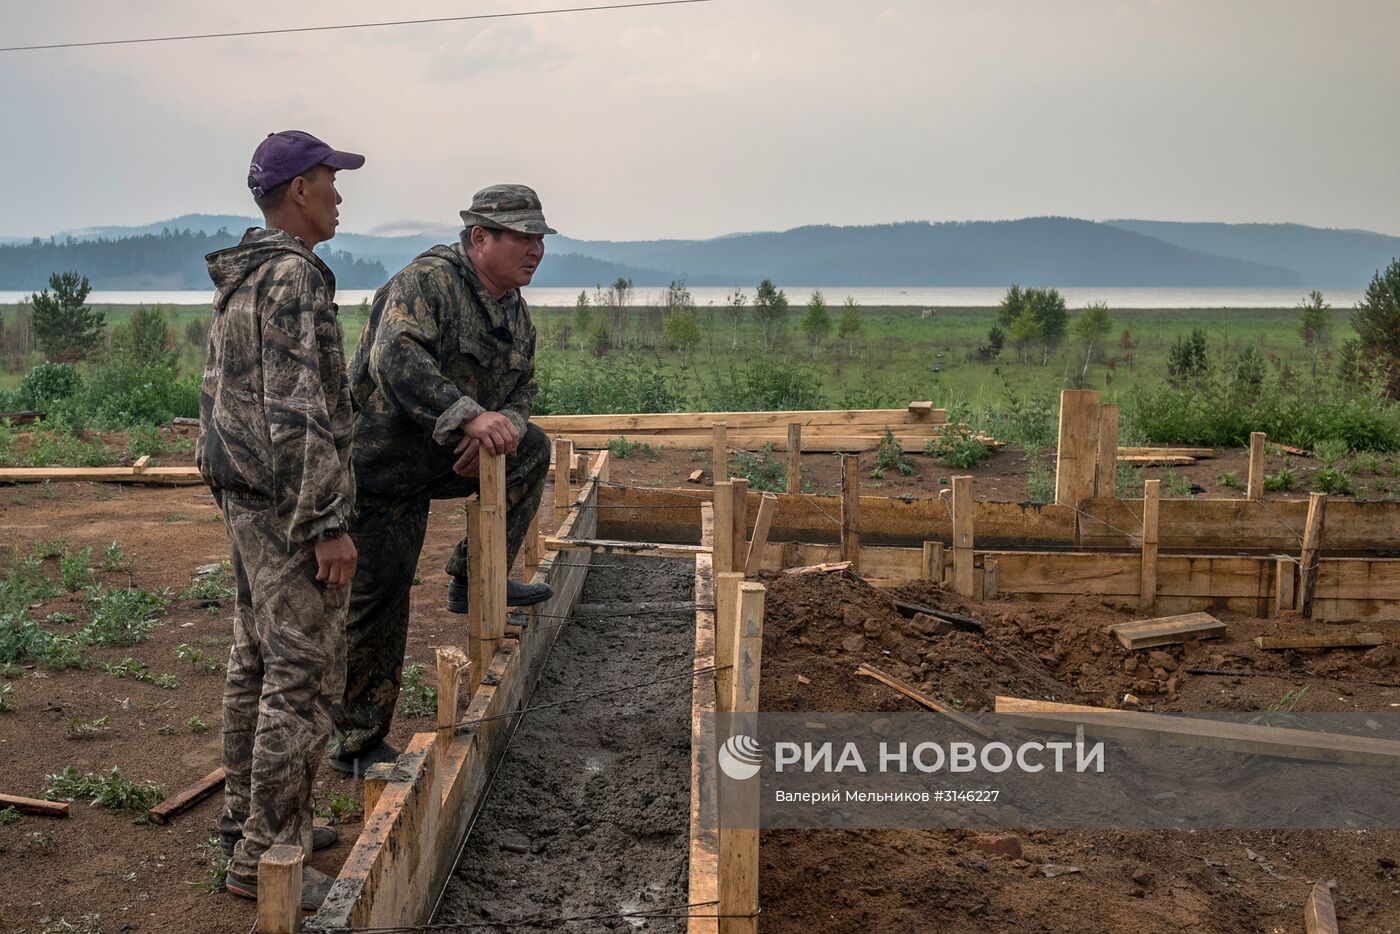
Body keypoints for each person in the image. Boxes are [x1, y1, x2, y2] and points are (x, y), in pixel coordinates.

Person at [328, 184, 556, 774]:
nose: (535, 250)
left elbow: (523, 388)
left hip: (443, 454)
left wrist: (496, 428)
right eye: (522, 238)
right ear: (480, 238)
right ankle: (356, 742)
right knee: (380, 599)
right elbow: (396, 360)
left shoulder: (512, 309)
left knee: (529, 447)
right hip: (380, 466)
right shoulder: (426, 283)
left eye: (539, 239)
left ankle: (473, 578)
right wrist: (465, 419)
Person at [198, 130, 363, 909]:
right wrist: (327, 520)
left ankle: (249, 822)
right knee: (300, 672)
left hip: (245, 496)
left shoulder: (245, 273)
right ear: (299, 189)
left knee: (256, 660)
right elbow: (295, 408)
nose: (339, 196)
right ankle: (268, 854)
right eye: (331, 182)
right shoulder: (292, 276)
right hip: (287, 506)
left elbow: (228, 397)